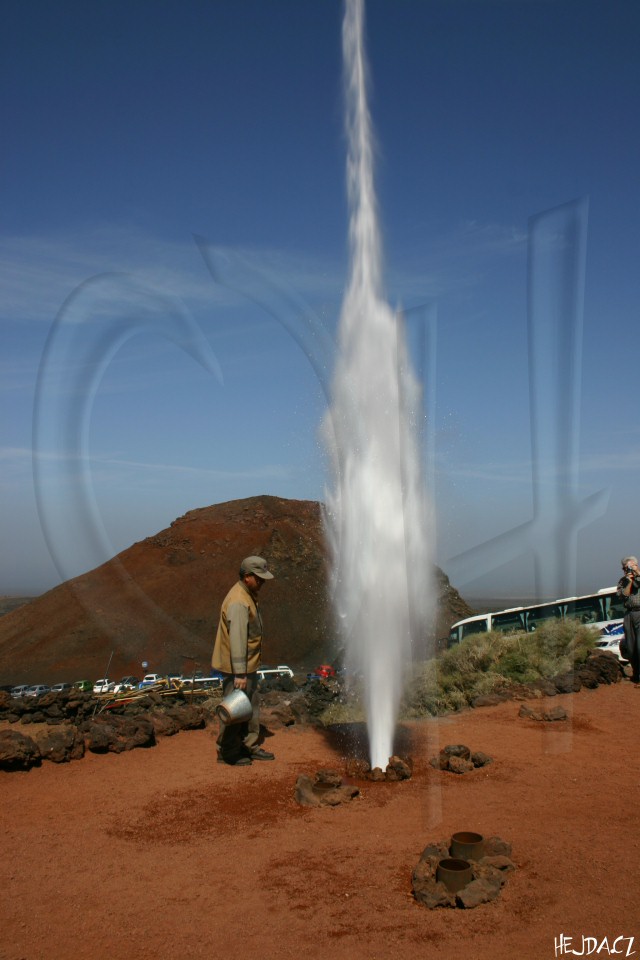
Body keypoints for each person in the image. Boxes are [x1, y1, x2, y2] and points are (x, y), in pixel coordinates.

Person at [212, 556, 276, 765]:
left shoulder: (247, 595)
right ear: (247, 577)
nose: (262, 582)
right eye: (259, 578)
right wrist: (239, 673)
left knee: (250, 706)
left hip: (248, 666)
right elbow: (238, 637)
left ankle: (249, 745)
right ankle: (228, 751)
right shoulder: (239, 601)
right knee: (235, 709)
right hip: (238, 669)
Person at [616, 556, 640, 685]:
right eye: (625, 568)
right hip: (629, 614)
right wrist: (630, 581)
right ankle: (636, 674)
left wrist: (638, 573)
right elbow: (623, 595)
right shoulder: (623, 581)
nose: (627, 570)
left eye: (630, 567)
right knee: (631, 646)